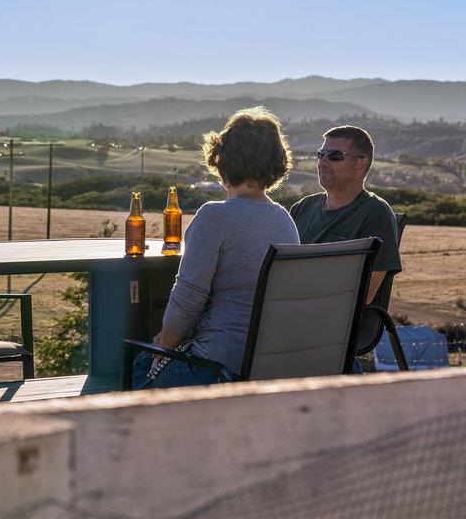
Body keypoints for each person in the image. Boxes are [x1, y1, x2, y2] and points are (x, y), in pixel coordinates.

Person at [133, 107, 300, 389]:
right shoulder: (284, 219)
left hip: (216, 367)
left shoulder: (215, 216)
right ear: (277, 162)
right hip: (265, 366)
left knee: (139, 363)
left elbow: (188, 298)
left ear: (221, 160)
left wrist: (165, 345)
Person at [289, 125, 401, 307]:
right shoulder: (301, 208)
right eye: (320, 155)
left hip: (330, 316)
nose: (322, 162)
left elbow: (364, 295)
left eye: (334, 156)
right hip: (289, 306)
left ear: (360, 165)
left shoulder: (376, 214)